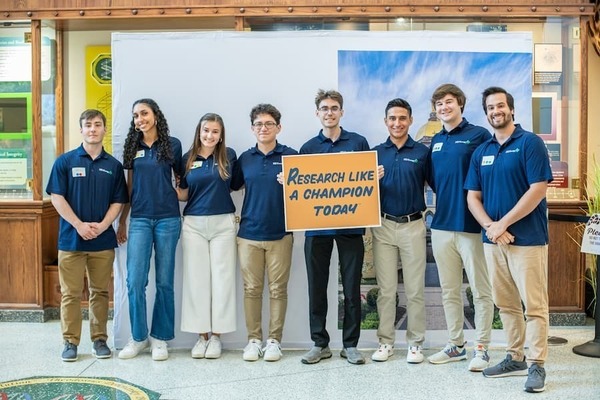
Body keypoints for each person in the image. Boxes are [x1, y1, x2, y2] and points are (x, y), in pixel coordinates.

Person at [465, 86, 553, 393]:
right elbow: (472, 197)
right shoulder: (482, 151)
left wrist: (503, 223)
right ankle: (515, 357)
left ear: (511, 109)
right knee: (506, 304)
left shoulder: (530, 143)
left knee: (535, 306)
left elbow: (538, 189)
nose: (495, 111)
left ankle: (537, 364)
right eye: (490, 107)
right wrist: (492, 227)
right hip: (494, 242)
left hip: (527, 239)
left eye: (500, 105)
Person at [46, 109, 128, 362]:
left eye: (97, 125)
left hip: (102, 241)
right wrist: (78, 224)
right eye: (88, 125)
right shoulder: (65, 162)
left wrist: (104, 226)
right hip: (71, 240)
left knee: (100, 291)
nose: (92, 129)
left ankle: (99, 340)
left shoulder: (113, 166)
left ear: (104, 130)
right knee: (70, 293)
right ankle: (70, 342)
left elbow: (119, 201)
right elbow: (56, 197)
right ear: (81, 130)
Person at [426, 83, 495, 371]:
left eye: (449, 102)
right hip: (442, 226)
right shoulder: (436, 140)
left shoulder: (478, 135)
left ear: (461, 105)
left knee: (480, 290)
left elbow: (489, 175)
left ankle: (482, 348)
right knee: (449, 290)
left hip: (472, 226)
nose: (444, 107)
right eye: (439, 103)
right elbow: (432, 179)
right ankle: (456, 345)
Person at [299, 89, 370, 365]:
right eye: (324, 108)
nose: (329, 112)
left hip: (350, 226)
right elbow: (302, 188)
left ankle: (350, 345)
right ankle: (320, 343)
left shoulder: (358, 142)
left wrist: (373, 175)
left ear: (342, 112)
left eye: (334, 108)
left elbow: (365, 183)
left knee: (351, 287)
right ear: (317, 113)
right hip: (316, 229)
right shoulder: (308, 148)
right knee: (316, 287)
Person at [116, 98, 183, 361]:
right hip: (140, 220)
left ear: (155, 115)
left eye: (144, 113)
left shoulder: (173, 144)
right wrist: (122, 221)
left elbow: (181, 181)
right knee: (135, 282)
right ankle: (138, 338)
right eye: (135, 116)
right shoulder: (133, 147)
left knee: (165, 282)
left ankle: (161, 339)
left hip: (168, 219)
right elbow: (129, 187)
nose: (139, 119)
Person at [231, 104, 298, 362]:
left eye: (269, 124)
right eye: (258, 124)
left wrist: (291, 183)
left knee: (278, 290)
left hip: (281, 234)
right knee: (251, 289)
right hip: (248, 234)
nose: (263, 128)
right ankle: (254, 340)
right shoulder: (245, 159)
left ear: (278, 127)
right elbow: (232, 185)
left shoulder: (291, 156)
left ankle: (274, 341)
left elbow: (307, 192)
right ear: (252, 129)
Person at [370, 98, 429, 364]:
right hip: (383, 226)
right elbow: (359, 192)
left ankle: (415, 344)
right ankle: (385, 342)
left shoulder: (421, 152)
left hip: (413, 225)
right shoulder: (375, 153)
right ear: (385, 121)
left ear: (410, 120)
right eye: (392, 118)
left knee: (415, 289)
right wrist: (371, 179)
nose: (397, 123)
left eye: (402, 118)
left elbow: (438, 183)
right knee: (386, 289)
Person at [177, 113, 238, 360]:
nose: (209, 135)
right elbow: (183, 194)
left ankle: (217, 338)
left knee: (223, 281)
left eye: (214, 131)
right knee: (196, 281)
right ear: (199, 131)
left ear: (221, 134)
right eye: (206, 130)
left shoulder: (229, 156)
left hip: (223, 223)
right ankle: (201, 336)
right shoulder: (187, 158)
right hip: (193, 224)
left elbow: (235, 185)